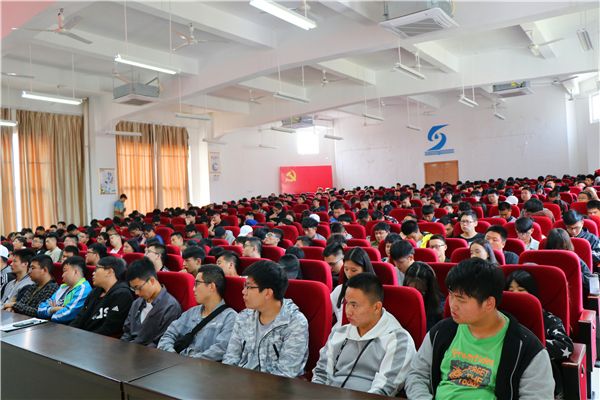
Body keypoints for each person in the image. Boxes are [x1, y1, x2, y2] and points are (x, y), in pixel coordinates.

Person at [405, 257, 554, 399]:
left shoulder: (528, 350)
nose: (452, 305)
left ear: (489, 303)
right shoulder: (440, 332)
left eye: (461, 299)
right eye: (451, 295)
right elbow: (417, 375)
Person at [312, 273, 416, 395]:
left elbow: (384, 389)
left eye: (354, 305)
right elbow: (321, 374)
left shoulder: (399, 340)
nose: (348, 311)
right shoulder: (339, 333)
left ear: (376, 307)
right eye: (346, 303)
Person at [223, 260, 309, 377]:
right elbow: (230, 358)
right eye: (244, 286)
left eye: (249, 287)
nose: (243, 292)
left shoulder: (294, 323)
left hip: (274, 386)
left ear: (268, 293)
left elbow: (286, 373)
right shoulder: (244, 316)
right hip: (240, 381)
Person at [505, 270, 573, 396]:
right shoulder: (501, 319)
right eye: (510, 290)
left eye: (521, 290)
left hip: (539, 375)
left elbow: (566, 346)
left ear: (532, 294)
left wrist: (529, 347)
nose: (515, 294)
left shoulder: (548, 319)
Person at [158, 265, 238, 359]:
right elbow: (168, 334)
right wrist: (172, 355)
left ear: (211, 287)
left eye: (197, 284)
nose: (193, 289)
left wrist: (186, 363)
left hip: (202, 366)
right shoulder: (191, 312)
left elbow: (219, 350)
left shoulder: (230, 318)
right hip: (176, 362)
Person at [121, 258, 182, 346]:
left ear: (152, 281)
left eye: (138, 288)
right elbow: (126, 332)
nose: (136, 293)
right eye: (133, 289)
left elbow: (160, 343)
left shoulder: (171, 307)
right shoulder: (136, 303)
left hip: (149, 353)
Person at [70, 256, 134, 336]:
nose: (93, 273)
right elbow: (80, 318)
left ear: (109, 272)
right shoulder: (96, 291)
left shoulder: (123, 294)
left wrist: (83, 338)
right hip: (83, 337)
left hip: (101, 341)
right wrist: (69, 332)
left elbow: (110, 329)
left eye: (97, 269)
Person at [38, 256, 92, 323]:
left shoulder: (83, 289)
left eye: (65, 271)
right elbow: (40, 309)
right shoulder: (63, 287)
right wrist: (54, 309)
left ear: (75, 272)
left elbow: (67, 314)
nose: (62, 275)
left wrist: (50, 312)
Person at [331, 247, 375, 327]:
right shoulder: (339, 289)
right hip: (339, 332)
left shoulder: (374, 292)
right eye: (346, 269)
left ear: (364, 270)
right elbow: (326, 311)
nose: (349, 274)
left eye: (354, 270)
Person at [545, 228, 594, 293]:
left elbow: (591, 283)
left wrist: (576, 273)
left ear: (567, 246)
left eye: (562, 248)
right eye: (555, 248)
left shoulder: (574, 259)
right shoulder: (543, 259)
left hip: (574, 293)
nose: (558, 252)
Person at [404, 263, 443, 330]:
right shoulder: (402, 301)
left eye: (420, 292)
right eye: (412, 291)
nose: (415, 297)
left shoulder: (439, 308)